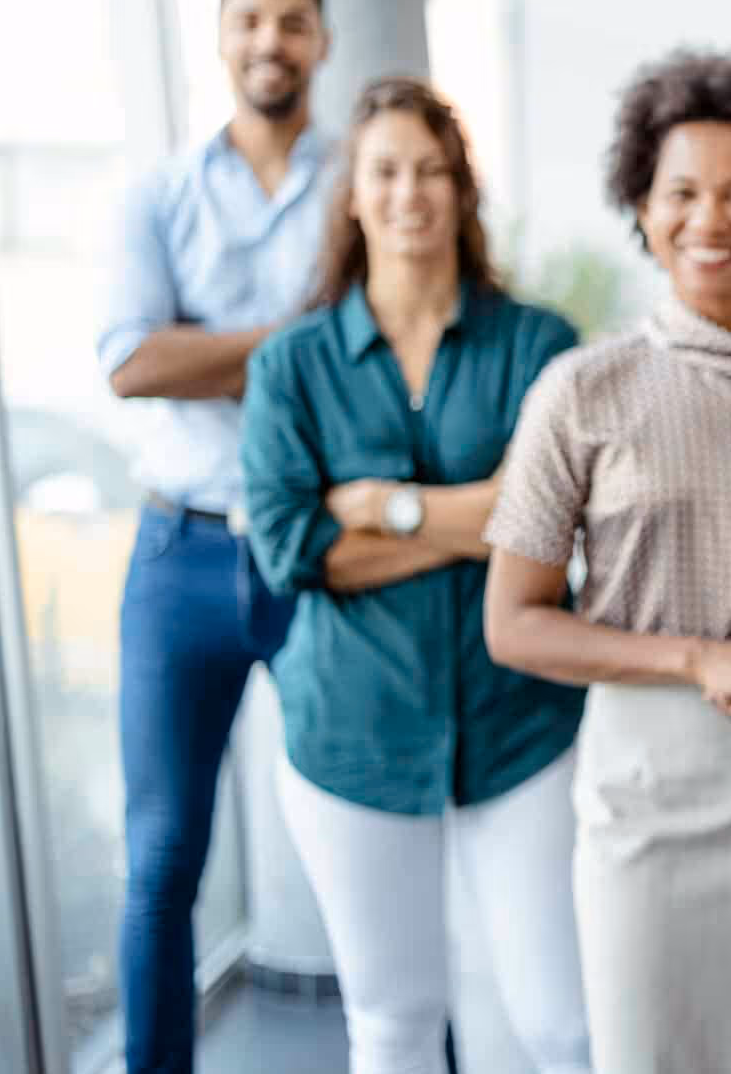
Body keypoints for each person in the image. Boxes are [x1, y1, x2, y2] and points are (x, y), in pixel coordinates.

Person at [483, 48, 731, 1072]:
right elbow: (512, 622)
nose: (710, 218)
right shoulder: (580, 389)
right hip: (650, 807)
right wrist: (700, 660)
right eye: (680, 191)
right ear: (641, 209)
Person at [239, 77, 589, 1074]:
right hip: (350, 736)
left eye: (432, 171)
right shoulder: (290, 365)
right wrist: (478, 517)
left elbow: (550, 528)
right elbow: (291, 550)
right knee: (392, 1024)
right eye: (386, 171)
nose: (409, 193)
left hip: (518, 726)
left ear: (461, 191)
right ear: (352, 193)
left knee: (560, 1021)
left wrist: (380, 507)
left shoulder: (537, 344)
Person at [96, 0, 338, 1074]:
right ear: (220, 35)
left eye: (292, 21)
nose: (270, 42)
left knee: (369, 833)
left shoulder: (358, 188)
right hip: (179, 556)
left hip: (318, 556)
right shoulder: (157, 192)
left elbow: (376, 358)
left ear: (321, 41)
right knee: (161, 861)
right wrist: (297, 344)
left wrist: (219, 351)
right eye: (250, 20)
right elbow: (135, 363)